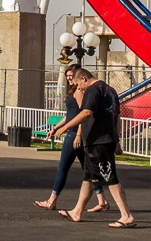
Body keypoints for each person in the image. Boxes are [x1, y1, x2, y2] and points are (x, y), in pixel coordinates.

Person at [59, 68, 134, 227]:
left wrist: (64, 127)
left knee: (109, 177)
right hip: (105, 139)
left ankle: (126, 216)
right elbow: (116, 117)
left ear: (84, 78)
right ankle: (76, 212)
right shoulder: (111, 90)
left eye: (79, 83)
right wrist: (117, 140)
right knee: (89, 177)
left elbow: (86, 113)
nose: (79, 87)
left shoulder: (93, 90)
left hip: (98, 140)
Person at [35, 66, 107, 213]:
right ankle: (102, 200)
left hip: (74, 135)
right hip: (75, 133)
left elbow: (83, 115)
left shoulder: (80, 92)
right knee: (89, 170)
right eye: (67, 75)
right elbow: (70, 115)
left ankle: (52, 201)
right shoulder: (74, 91)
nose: (69, 78)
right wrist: (55, 128)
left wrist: (78, 135)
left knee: (63, 168)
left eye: (71, 75)